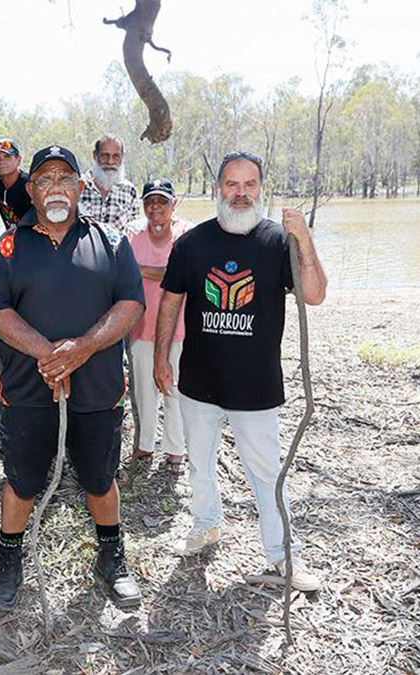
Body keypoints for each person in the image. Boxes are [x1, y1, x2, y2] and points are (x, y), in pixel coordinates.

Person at [154, 151, 327, 591]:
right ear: (218, 189)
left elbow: (314, 295)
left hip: (256, 385)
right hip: (199, 382)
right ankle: (206, 524)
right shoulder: (192, 244)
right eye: (232, 184)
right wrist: (160, 357)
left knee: (267, 473)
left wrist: (304, 239)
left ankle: (283, 556)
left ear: (261, 189)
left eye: (250, 184)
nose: (241, 193)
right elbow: (170, 301)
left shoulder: (278, 241)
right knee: (200, 464)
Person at [0, 145, 146, 610]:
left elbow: (131, 303)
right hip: (27, 388)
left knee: (100, 478)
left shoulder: (111, 242)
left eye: (65, 179)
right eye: (45, 180)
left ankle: (111, 558)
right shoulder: (7, 248)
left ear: (79, 188)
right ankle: (9, 561)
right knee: (21, 481)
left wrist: (83, 348)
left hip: (97, 388)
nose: (56, 187)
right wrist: (49, 355)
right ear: (31, 190)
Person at [127, 179, 191, 474]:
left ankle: (176, 448)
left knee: (174, 388)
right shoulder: (132, 234)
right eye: (150, 202)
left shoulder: (186, 234)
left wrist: (142, 270)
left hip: (178, 326)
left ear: (173, 204)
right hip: (140, 325)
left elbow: (182, 274)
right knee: (143, 389)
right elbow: (122, 272)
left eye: (162, 202)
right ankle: (145, 443)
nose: (156, 208)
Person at [78, 134, 141, 238]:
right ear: (94, 155)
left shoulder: (129, 190)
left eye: (116, 156)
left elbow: (135, 232)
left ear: (122, 157)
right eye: (105, 156)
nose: (110, 162)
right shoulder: (78, 186)